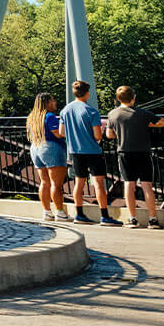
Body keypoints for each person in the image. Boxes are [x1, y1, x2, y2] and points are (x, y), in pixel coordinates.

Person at [108, 85, 164, 228]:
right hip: (143, 152)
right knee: (147, 185)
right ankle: (153, 219)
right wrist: (148, 125)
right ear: (134, 98)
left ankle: (132, 218)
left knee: (129, 185)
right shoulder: (143, 114)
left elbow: (109, 134)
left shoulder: (113, 114)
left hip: (124, 152)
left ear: (118, 99)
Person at [59, 80, 122, 226]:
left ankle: (79, 214)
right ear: (87, 93)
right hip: (92, 151)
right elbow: (98, 136)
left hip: (75, 150)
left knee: (79, 183)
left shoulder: (65, 110)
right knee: (99, 184)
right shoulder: (91, 111)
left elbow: (62, 132)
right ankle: (104, 216)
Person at [26, 92, 68, 221]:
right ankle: (60, 213)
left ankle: (47, 212)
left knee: (44, 182)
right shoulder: (49, 116)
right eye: (53, 101)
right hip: (51, 148)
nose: (55, 103)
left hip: (35, 147)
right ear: (47, 103)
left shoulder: (32, 117)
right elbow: (57, 134)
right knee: (57, 183)